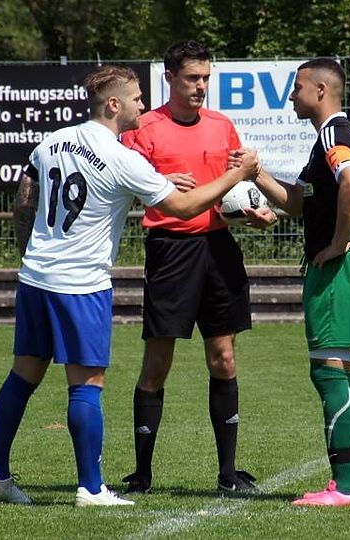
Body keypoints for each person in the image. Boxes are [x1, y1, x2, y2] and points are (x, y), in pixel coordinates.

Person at [0, 65, 260, 507]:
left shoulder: (52, 141)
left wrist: (28, 249)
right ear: (113, 104)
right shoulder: (120, 157)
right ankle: (91, 488)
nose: (142, 105)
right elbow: (185, 208)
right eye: (136, 98)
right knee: (86, 384)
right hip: (81, 284)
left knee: (23, 375)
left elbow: (26, 193)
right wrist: (236, 177)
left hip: (35, 277)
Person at [119, 40, 278, 495]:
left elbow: (235, 190)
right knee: (157, 362)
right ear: (169, 78)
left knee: (223, 357)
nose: (201, 86)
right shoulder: (144, 129)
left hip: (218, 248)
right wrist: (159, 182)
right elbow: (126, 186)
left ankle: (228, 474)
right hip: (170, 250)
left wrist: (253, 211)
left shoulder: (222, 126)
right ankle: (141, 475)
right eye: (192, 77)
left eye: (206, 77)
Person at [247, 58, 350, 506]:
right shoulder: (339, 135)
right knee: (349, 375)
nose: (291, 96)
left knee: (328, 373)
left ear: (321, 91)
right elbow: (298, 202)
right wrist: (256, 175)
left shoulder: (332, 135)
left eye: (298, 87)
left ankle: (343, 487)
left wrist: (337, 243)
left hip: (343, 266)